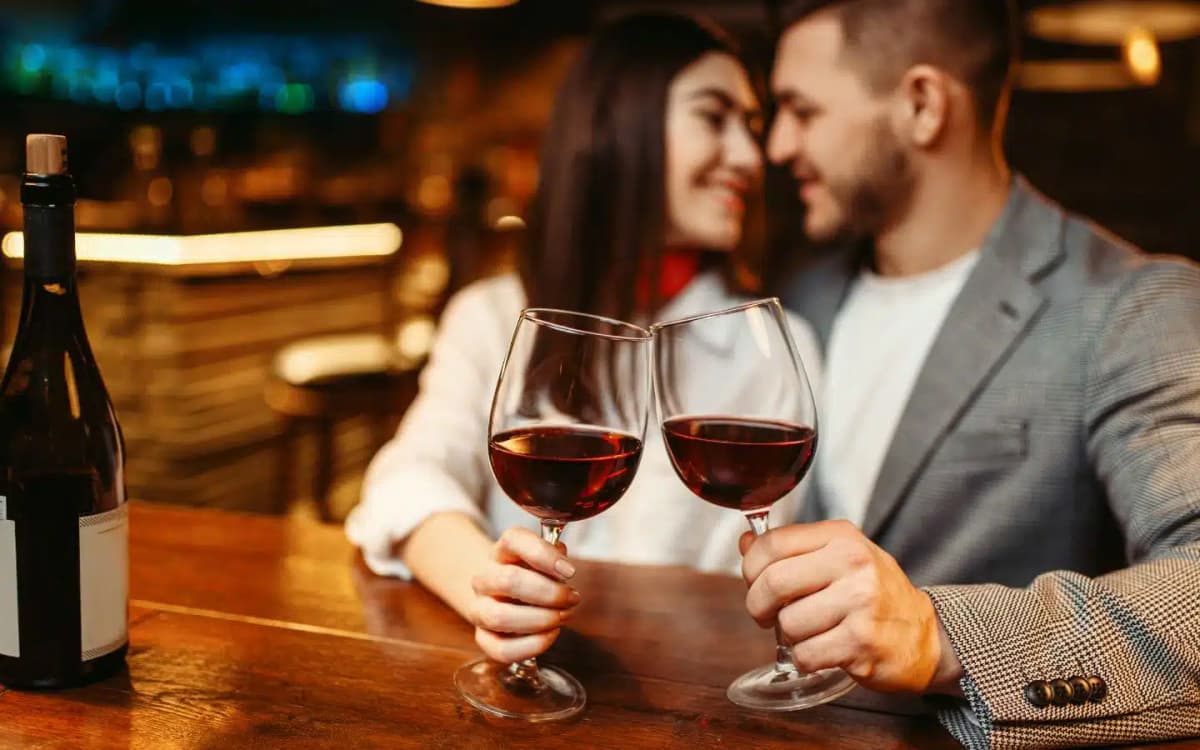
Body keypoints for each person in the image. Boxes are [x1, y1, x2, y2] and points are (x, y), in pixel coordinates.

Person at [750, 0, 1200, 747]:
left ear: (923, 106)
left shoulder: (1129, 305)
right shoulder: (798, 299)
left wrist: (940, 636)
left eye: (800, 110)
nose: (776, 145)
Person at [346, 13, 822, 667]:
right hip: (523, 681)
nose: (749, 156)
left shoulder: (775, 346)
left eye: (752, 126)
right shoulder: (493, 318)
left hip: (699, 698)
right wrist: (486, 588)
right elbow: (404, 482)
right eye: (715, 118)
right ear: (619, 127)